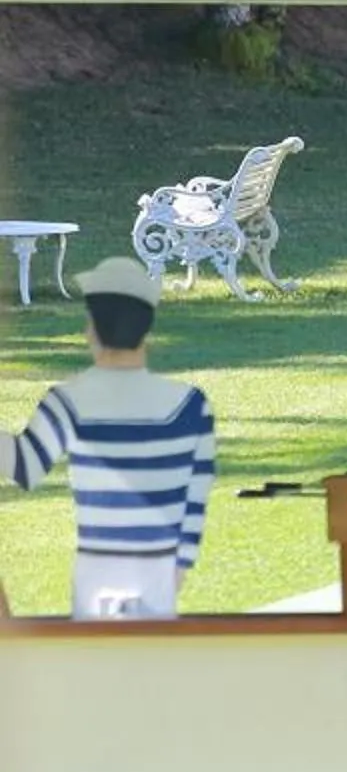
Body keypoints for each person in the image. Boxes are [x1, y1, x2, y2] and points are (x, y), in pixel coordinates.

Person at [5, 258, 217, 620]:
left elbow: (25, 466)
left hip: (98, 569)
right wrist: (180, 566)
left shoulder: (68, 400)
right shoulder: (192, 406)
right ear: (145, 328)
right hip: (159, 571)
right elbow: (196, 495)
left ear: (94, 329)